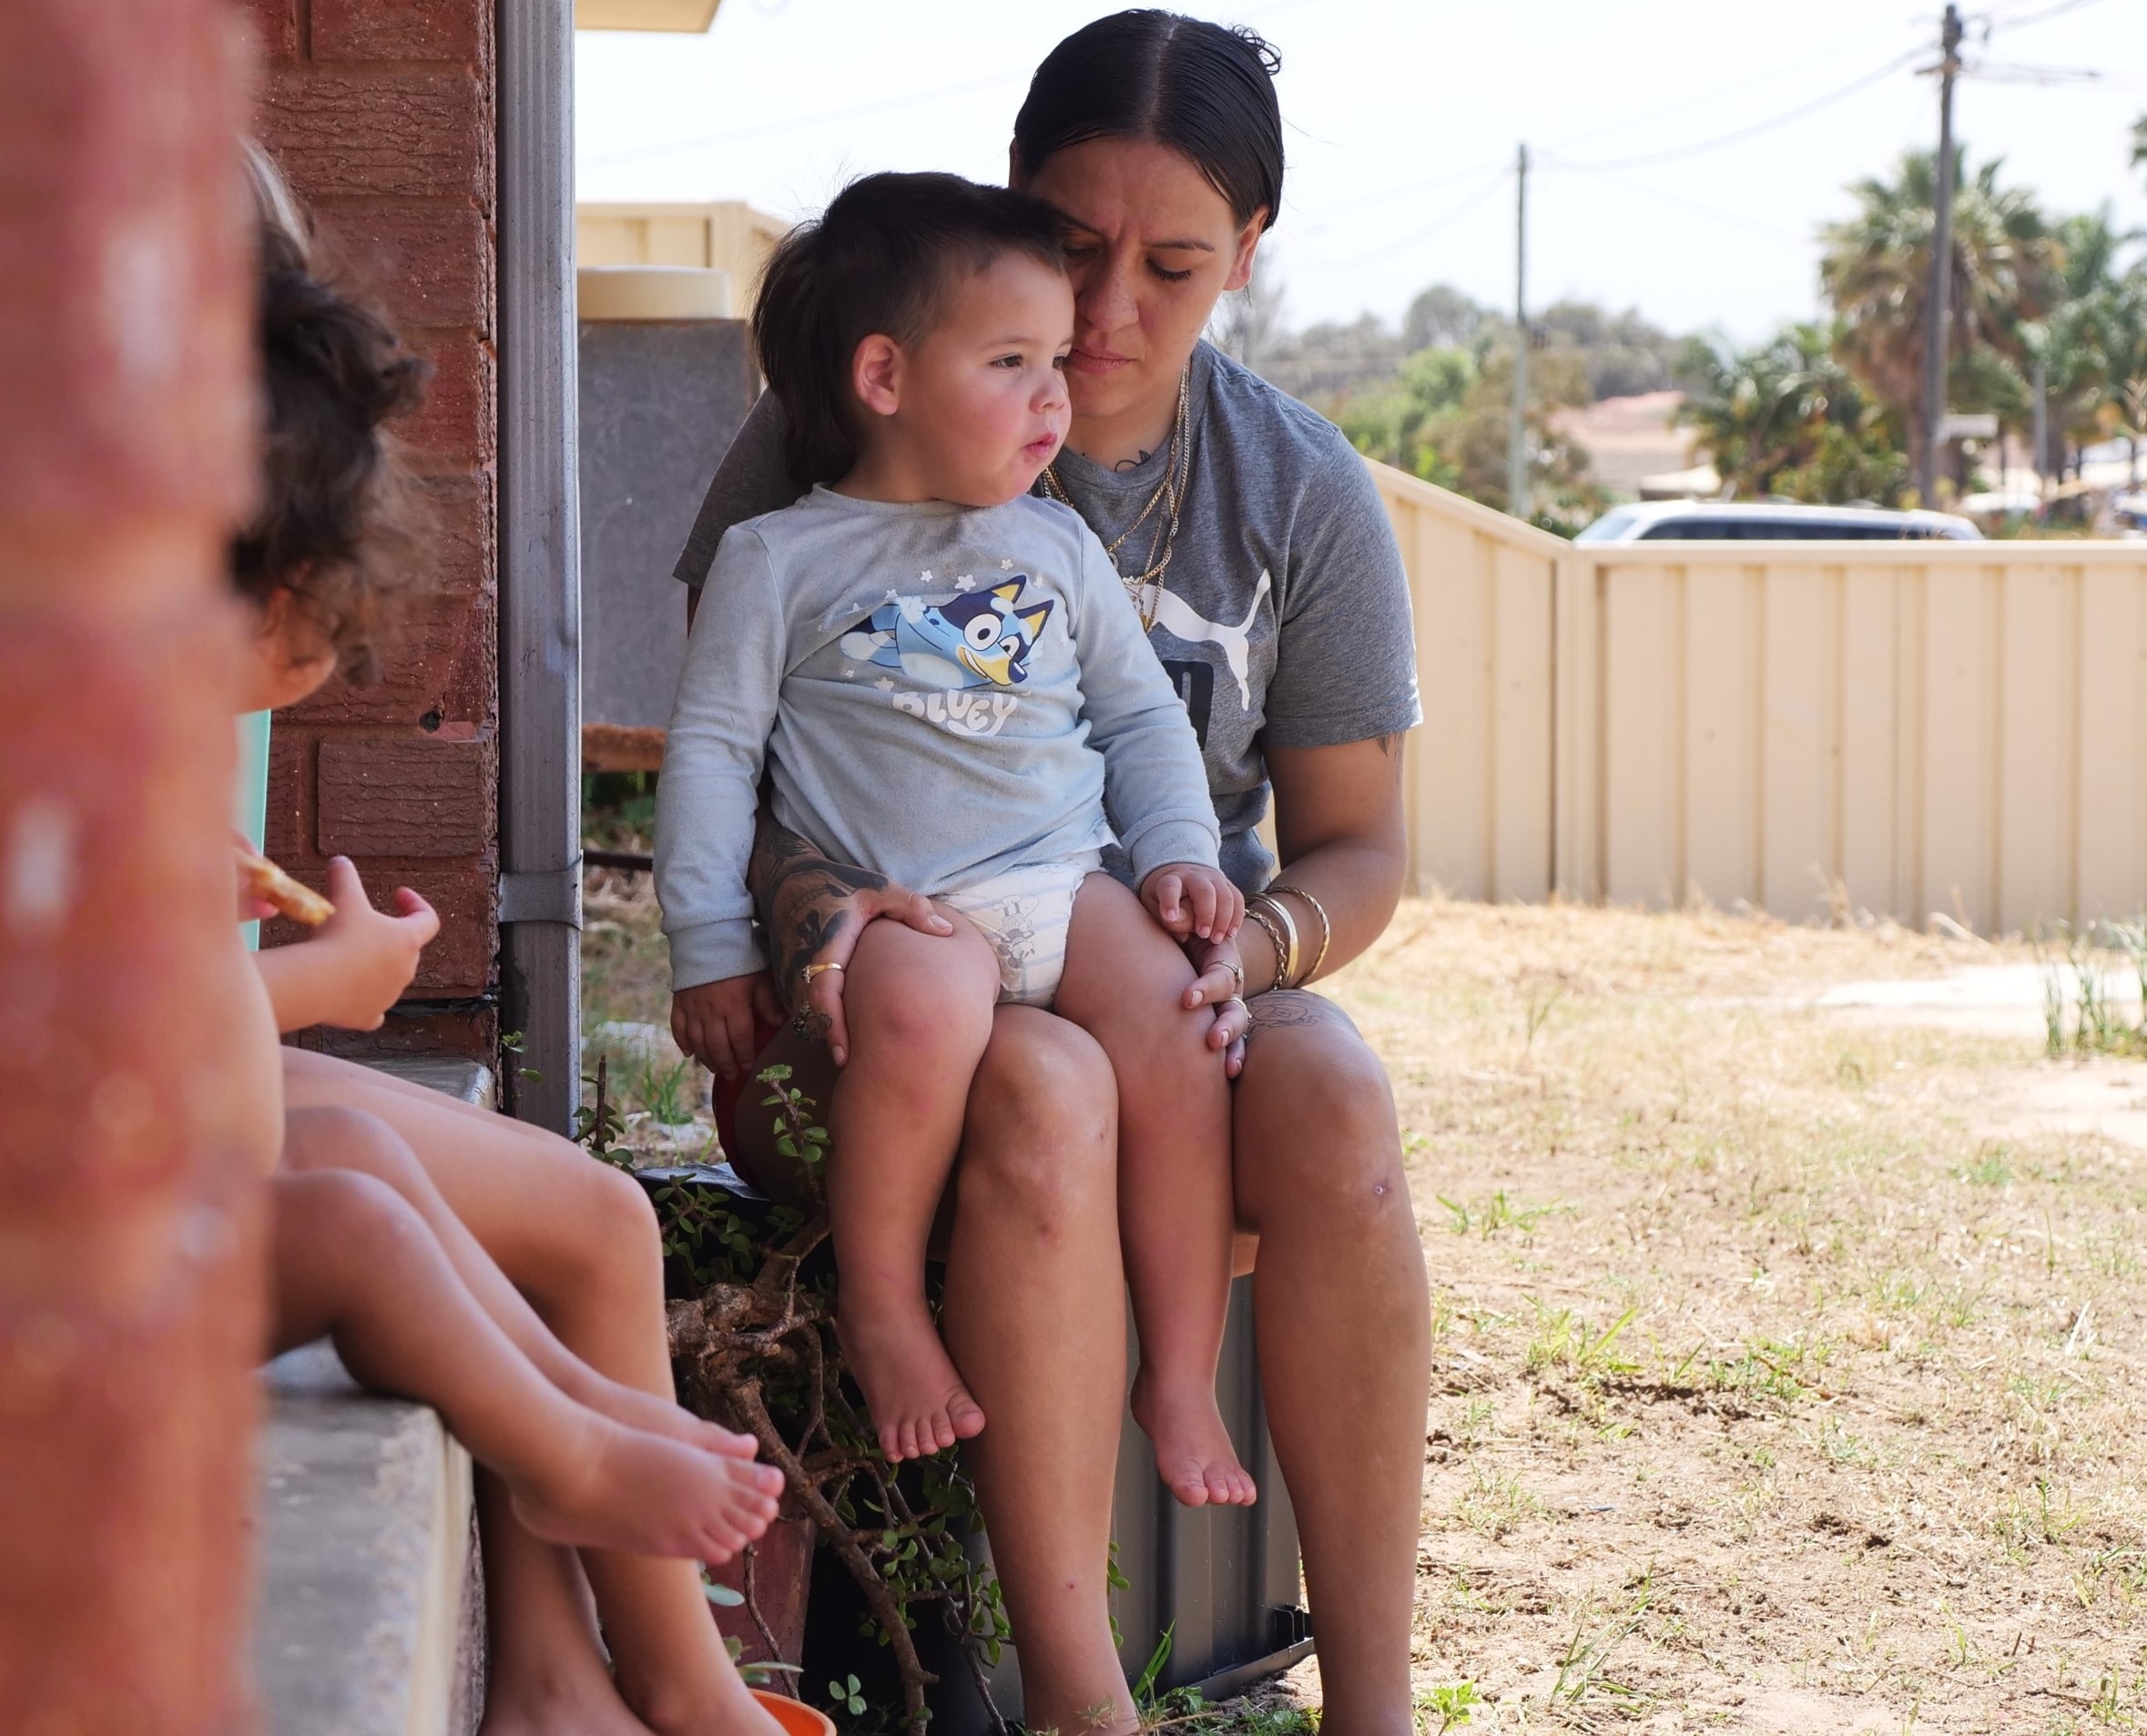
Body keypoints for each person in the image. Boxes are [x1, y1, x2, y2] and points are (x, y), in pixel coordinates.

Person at [672, 15, 1430, 1736]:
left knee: (1326, 1095)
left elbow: (1361, 846)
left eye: (1171, 265)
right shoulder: (819, 445)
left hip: (1131, 950)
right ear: (1007, 207)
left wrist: (1254, 935)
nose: (1105, 315)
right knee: (1043, 1075)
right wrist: (794, 925)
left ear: (1247, 255)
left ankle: (1372, 1709)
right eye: (1073, 249)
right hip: (857, 1023)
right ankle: (1078, 1701)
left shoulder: (1291, 487)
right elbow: (717, 752)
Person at [238, 146, 794, 1736]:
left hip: (173, 1111)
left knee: (550, 1212)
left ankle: (612, 1676)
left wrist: (273, 972)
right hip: (125, 1157)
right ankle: (605, 1538)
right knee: (370, 1208)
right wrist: (309, 988)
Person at [658, 171, 1254, 1508]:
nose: (1057, 395)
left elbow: (1144, 721)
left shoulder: (1053, 546)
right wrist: (705, 946)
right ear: (883, 374)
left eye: (1056, 363)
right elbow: (709, 757)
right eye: (1012, 362)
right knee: (924, 1007)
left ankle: (1178, 1368)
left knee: (1169, 1019)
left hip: (1055, 882)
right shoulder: (779, 559)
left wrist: (1177, 851)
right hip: (903, 916)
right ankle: (881, 1307)